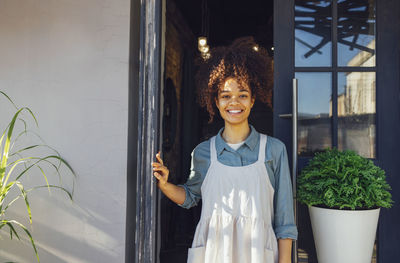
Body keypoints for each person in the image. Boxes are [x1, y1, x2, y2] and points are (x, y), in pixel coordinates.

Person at [152, 37, 297, 263]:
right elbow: (190, 197)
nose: (234, 103)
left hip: (259, 253)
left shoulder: (274, 150)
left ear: (252, 100)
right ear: (216, 102)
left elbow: (285, 218)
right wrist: (165, 185)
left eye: (242, 95)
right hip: (214, 253)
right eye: (226, 96)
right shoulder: (203, 152)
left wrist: (285, 260)